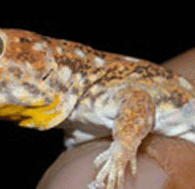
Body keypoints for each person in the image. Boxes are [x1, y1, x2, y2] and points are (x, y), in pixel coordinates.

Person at [37, 48, 195, 189]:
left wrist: (123, 147)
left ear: (47, 74)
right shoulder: (79, 102)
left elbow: (138, 99)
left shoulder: (97, 91)